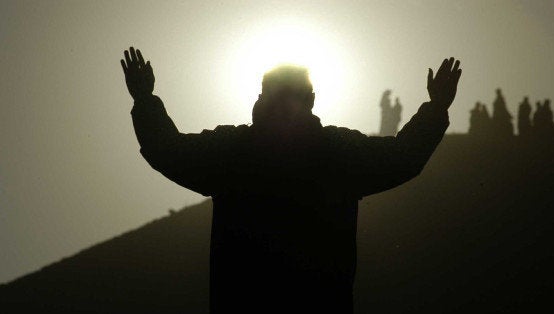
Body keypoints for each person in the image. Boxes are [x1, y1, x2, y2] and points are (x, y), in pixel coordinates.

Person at [121, 47, 462, 313]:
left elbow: (169, 152)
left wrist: (145, 100)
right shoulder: (337, 154)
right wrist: (435, 108)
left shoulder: (233, 152)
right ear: (311, 100)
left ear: (261, 96)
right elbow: (402, 158)